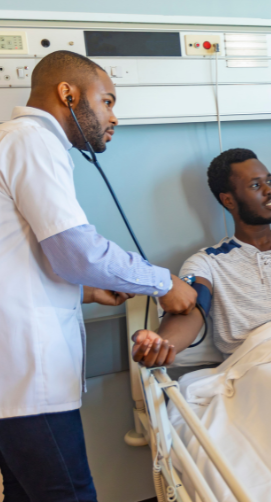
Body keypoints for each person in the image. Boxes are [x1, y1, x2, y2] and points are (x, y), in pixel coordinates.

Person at [0, 50, 197, 501]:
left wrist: (86, 289)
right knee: (69, 494)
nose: (114, 116)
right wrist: (163, 282)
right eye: (107, 100)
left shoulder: (15, 141)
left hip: (14, 374)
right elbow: (77, 250)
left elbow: (17, 259)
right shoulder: (32, 140)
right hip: (28, 376)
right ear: (67, 94)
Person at [131, 148, 271, 370]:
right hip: (258, 366)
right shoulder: (207, 263)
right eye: (256, 185)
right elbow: (191, 311)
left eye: (270, 181)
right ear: (228, 201)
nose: (270, 190)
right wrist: (163, 344)